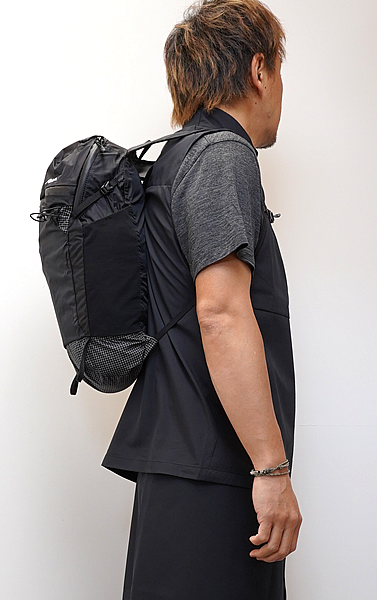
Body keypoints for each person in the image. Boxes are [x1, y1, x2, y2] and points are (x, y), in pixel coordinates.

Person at [102, 1, 302, 598]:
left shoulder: (178, 157)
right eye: (280, 72)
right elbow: (220, 313)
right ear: (259, 70)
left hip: (187, 464)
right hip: (213, 472)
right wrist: (271, 469)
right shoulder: (221, 155)